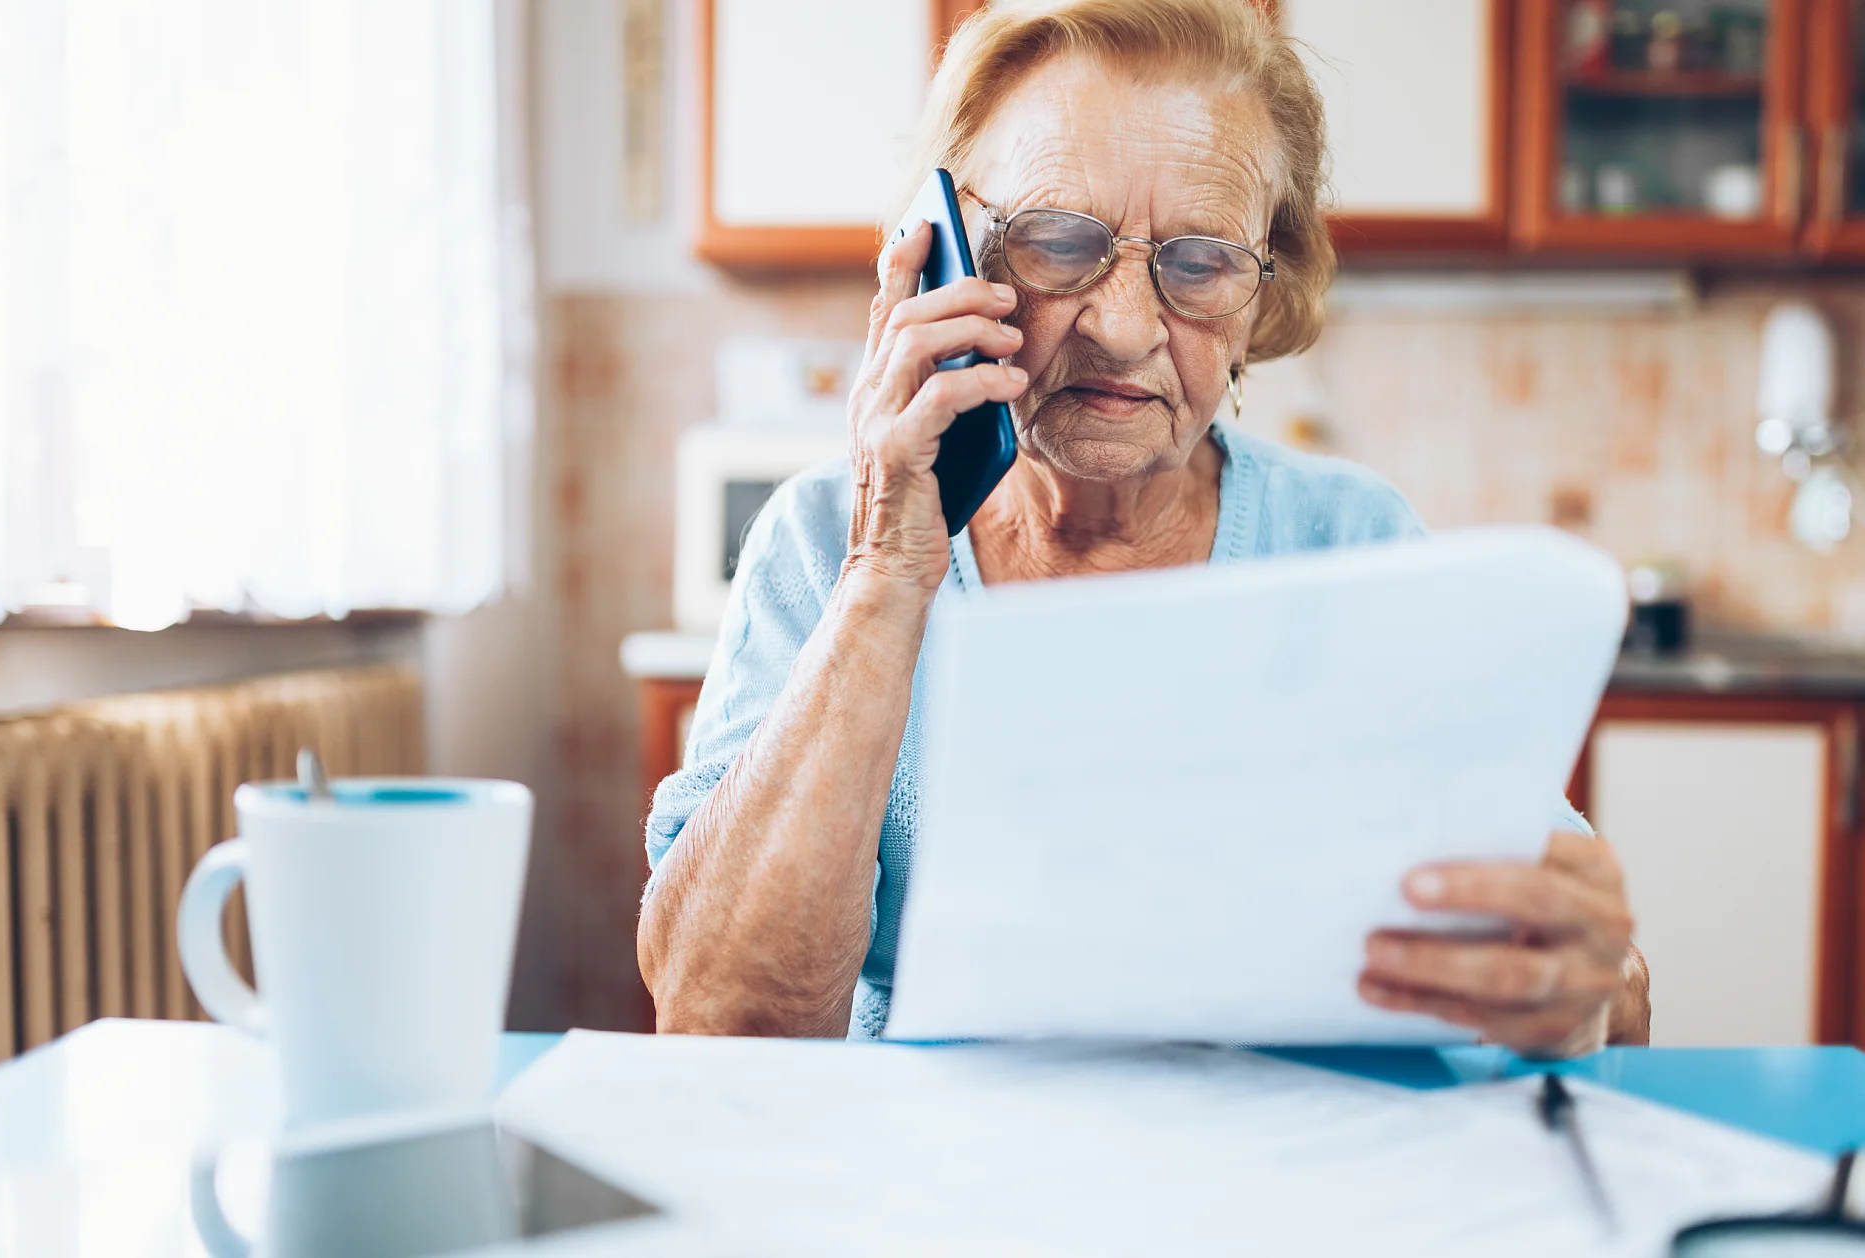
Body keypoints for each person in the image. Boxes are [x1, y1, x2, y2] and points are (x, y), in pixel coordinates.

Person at [638, 0, 1650, 1056]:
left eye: (1201, 262)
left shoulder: (1351, 543)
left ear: (1263, 292)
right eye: (1055, 243)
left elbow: (1595, 984)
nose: (1123, 330)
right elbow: (717, 1020)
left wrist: (1577, 988)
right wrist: (887, 570)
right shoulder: (825, 544)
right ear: (945, 253)